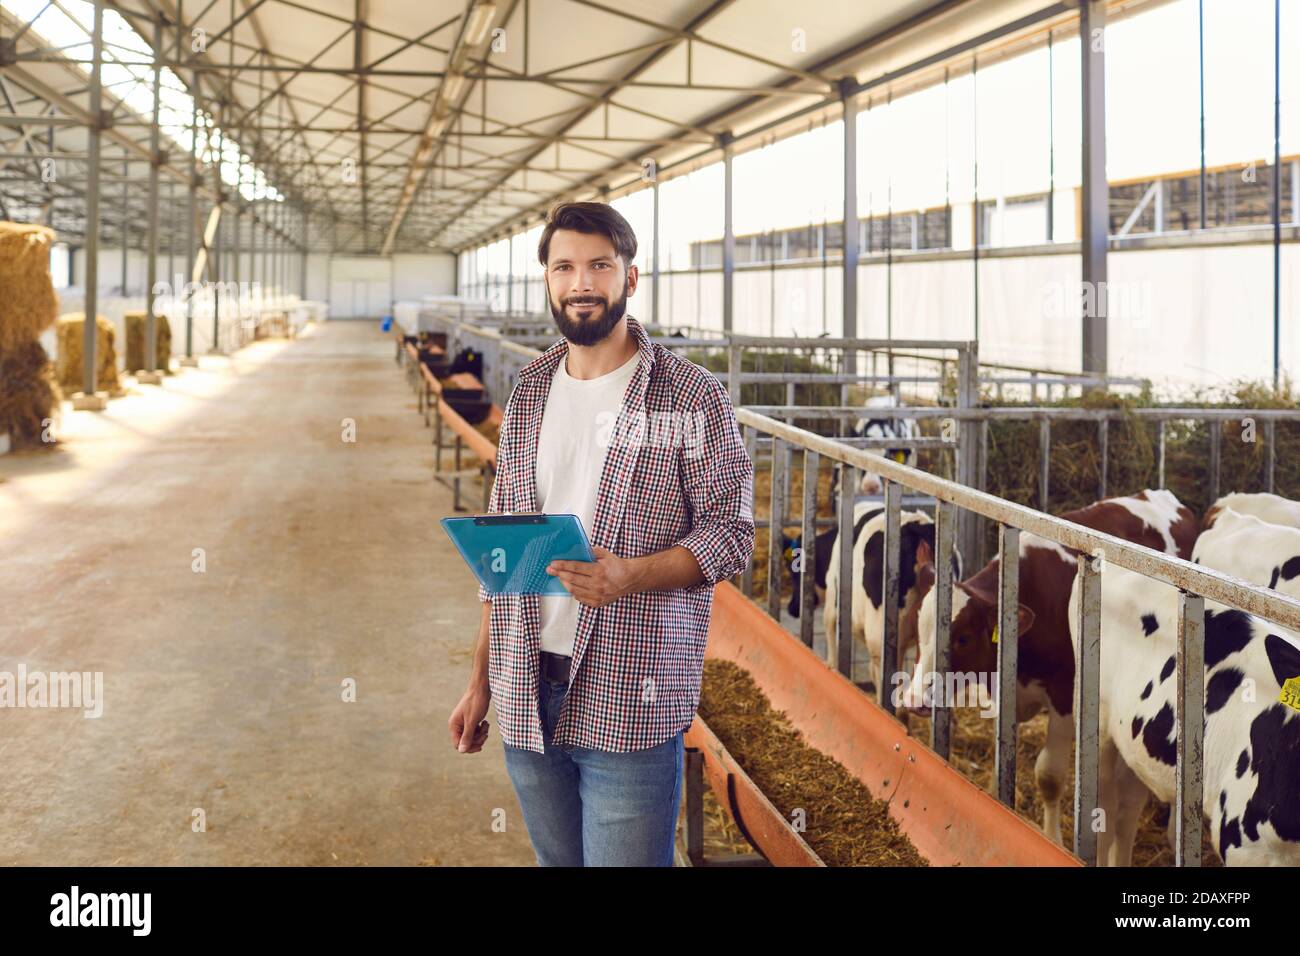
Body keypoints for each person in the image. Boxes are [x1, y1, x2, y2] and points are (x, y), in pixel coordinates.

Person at [447, 200, 755, 867]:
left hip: (630, 695)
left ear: (630, 280)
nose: (580, 282)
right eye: (564, 266)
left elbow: (731, 534)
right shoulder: (528, 391)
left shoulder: (688, 396)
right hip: (527, 686)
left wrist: (631, 575)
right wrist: (481, 682)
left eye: (598, 265)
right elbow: (503, 556)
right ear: (549, 282)